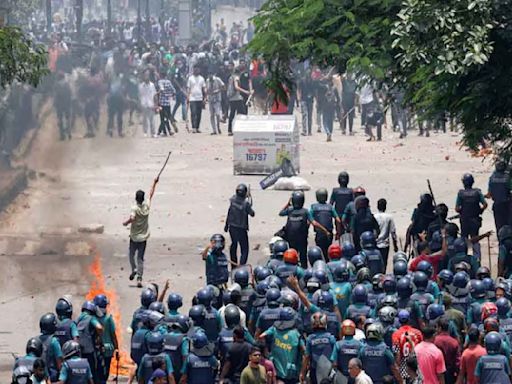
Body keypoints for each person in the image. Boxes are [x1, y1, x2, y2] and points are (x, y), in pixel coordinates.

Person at [123, 178, 159, 287]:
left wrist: (126, 222)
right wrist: (154, 183)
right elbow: (151, 194)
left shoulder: (134, 208)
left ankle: (134, 269)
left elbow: (132, 218)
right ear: (142, 199)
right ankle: (139, 278)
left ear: (136, 198)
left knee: (131, 255)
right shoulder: (146, 206)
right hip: (143, 238)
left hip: (134, 237)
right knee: (140, 258)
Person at [259, 307, 305, 384]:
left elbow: (261, 336)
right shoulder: (296, 334)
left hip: (277, 371)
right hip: (292, 373)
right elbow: (304, 350)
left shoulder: (274, 329)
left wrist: (267, 355)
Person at [455, 173, 488, 260]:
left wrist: (462, 211)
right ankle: (477, 260)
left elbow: (457, 208)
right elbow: (485, 204)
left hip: (464, 220)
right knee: (475, 240)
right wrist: (480, 211)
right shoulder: (477, 192)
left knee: (464, 240)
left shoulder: (461, 193)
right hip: (475, 220)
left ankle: (463, 258)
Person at [225, 184, 255, 266]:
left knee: (234, 245)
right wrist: (250, 199)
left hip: (232, 227)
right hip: (241, 229)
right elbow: (252, 213)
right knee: (244, 249)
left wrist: (226, 225)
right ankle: (241, 266)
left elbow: (229, 212)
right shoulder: (246, 204)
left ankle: (233, 265)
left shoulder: (233, 200)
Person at [279, 191, 310, 268]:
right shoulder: (305, 211)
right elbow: (311, 222)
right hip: (302, 238)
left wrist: (288, 203)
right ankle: (304, 270)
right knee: (303, 256)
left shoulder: (290, 210)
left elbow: (281, 213)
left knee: (292, 255)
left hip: (291, 238)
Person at [93, 294, 119, 384]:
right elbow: (113, 335)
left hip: (97, 350)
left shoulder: (93, 319)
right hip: (108, 350)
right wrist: (116, 349)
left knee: (97, 372)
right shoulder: (108, 318)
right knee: (105, 373)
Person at [76, 301, 103, 383]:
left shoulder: (78, 318)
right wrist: (99, 336)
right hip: (89, 352)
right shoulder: (91, 318)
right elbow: (99, 328)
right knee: (92, 373)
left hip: (78, 351)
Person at [309, 188, 340, 259]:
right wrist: (338, 232)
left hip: (320, 234)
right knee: (328, 253)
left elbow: (311, 221)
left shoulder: (314, 207)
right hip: (329, 234)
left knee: (319, 253)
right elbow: (338, 220)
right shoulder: (330, 207)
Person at [486, 160, 511, 233]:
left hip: (497, 205)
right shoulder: (507, 178)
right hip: (507, 205)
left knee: (499, 225)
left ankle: (500, 241)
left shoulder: (492, 178)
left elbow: (489, 194)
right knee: (508, 225)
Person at [37, 313, 63, 383]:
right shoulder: (54, 341)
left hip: (38, 376)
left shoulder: (36, 340)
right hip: (52, 378)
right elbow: (59, 362)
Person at [434, 316, 460, 384]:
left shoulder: (435, 341)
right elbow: (457, 361)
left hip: (437, 373)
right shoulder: (454, 342)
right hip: (450, 373)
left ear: (439, 328)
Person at [374, 199, 398, 271]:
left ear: (377, 206)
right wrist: (395, 245)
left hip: (375, 244)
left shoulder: (374, 216)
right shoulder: (389, 217)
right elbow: (393, 232)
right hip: (385, 245)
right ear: (385, 207)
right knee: (384, 264)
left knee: (376, 264)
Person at [227, 66, 248, 136]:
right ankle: (242, 129)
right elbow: (236, 87)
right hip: (237, 98)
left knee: (232, 114)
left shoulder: (231, 77)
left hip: (231, 98)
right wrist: (245, 91)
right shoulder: (236, 77)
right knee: (243, 114)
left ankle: (229, 130)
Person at [187, 66, 206, 133]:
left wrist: (205, 98)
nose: (196, 71)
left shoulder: (202, 78)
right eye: (195, 69)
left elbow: (204, 89)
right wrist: (188, 97)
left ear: (199, 70)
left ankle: (197, 127)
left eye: (197, 69)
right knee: (193, 113)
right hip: (192, 98)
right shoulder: (190, 78)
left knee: (199, 113)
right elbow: (188, 88)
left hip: (200, 98)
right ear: (193, 70)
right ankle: (194, 127)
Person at [138, 69, 157, 137]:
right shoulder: (140, 86)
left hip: (151, 104)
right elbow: (139, 95)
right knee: (144, 119)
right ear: (143, 76)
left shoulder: (152, 85)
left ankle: (153, 133)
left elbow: (154, 95)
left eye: (148, 75)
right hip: (144, 104)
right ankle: (145, 132)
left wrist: (156, 104)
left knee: (152, 120)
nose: (147, 76)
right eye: (145, 75)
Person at [54, 71, 72, 141]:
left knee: (60, 119)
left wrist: (55, 104)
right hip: (67, 104)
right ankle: (69, 133)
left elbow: (55, 96)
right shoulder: (67, 84)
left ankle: (62, 135)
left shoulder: (56, 85)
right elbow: (70, 94)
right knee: (68, 119)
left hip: (59, 105)